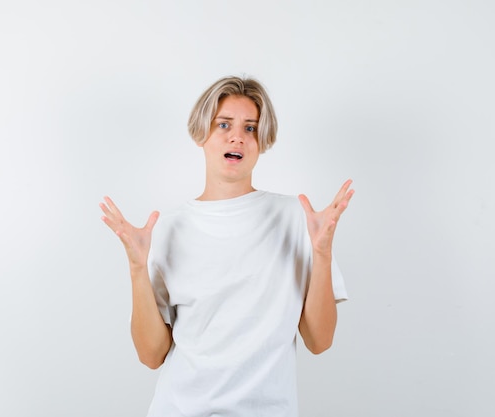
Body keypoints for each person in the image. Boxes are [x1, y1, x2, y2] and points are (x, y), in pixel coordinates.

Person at [99, 75, 354, 417]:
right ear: (201, 134)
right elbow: (151, 355)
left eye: (251, 128)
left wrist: (321, 255)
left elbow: (319, 341)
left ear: (262, 141)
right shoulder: (167, 228)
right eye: (224, 124)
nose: (238, 136)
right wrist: (137, 269)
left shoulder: (297, 219)